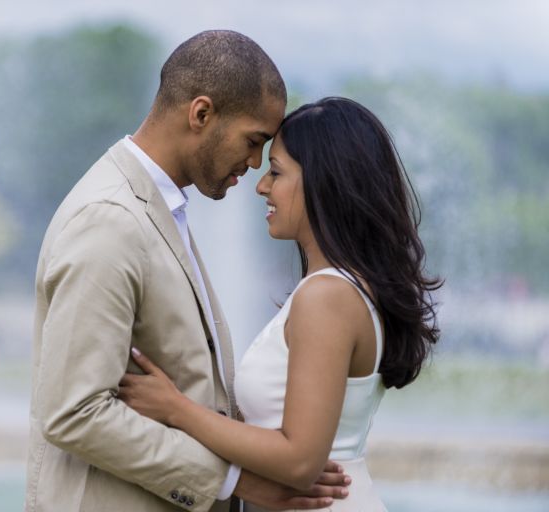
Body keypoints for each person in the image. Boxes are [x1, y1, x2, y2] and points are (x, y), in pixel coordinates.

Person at [25, 31, 354, 512]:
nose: (256, 164)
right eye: (254, 140)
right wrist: (231, 481)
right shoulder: (109, 220)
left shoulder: (159, 208)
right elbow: (74, 412)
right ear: (201, 114)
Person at [119, 97, 442, 511]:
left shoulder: (327, 296)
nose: (261, 186)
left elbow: (300, 461)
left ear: (326, 183)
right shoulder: (339, 289)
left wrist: (176, 409)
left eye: (277, 172)